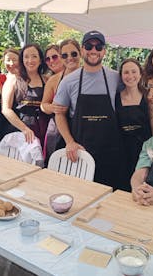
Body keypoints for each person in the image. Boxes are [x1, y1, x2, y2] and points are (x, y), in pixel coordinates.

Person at [54, 30, 125, 190]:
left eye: (98, 46)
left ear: (104, 51)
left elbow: (134, 90)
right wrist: (69, 142)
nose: (93, 50)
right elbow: (59, 114)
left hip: (110, 151)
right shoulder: (68, 81)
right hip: (80, 151)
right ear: (82, 50)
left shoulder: (115, 78)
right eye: (89, 46)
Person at [116, 58, 153, 179]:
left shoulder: (149, 97)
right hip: (122, 151)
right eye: (126, 72)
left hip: (144, 152)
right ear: (121, 76)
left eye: (134, 71)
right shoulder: (115, 98)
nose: (130, 76)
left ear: (140, 74)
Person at [2, 43, 49, 148]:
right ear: (22, 60)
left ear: (40, 60)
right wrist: (24, 129)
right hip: (19, 131)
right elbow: (6, 109)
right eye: (26, 57)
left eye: (34, 56)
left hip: (43, 129)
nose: (30, 60)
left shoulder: (47, 80)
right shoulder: (13, 79)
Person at [41, 39, 81, 161]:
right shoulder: (54, 80)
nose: (69, 58)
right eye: (65, 55)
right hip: (57, 131)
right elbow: (43, 105)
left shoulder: (88, 75)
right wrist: (52, 107)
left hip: (80, 127)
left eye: (74, 54)